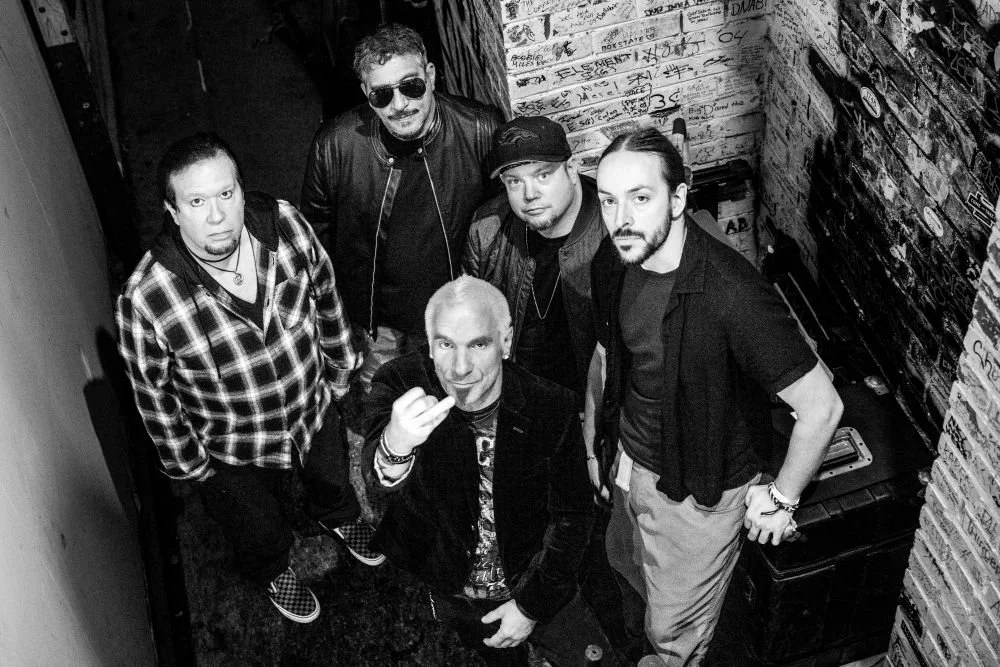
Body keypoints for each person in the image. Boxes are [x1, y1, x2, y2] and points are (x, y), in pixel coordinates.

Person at [590, 128, 844, 665]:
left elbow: (822, 408)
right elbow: (611, 356)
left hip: (698, 494)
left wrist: (781, 500)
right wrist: (602, 442)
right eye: (608, 200)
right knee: (626, 567)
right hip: (631, 461)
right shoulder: (617, 259)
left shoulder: (731, 292)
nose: (621, 218)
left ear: (678, 199)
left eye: (641, 198)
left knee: (672, 636)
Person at [116, 133, 383, 625]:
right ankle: (272, 569)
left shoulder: (283, 226)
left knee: (332, 477)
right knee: (256, 528)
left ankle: (340, 516)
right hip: (233, 449)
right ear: (172, 212)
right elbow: (153, 396)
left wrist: (340, 368)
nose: (217, 215)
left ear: (241, 190)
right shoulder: (146, 298)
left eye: (226, 193)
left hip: (312, 407)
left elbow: (325, 291)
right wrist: (194, 468)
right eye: (196, 202)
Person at [361, 276, 618, 666]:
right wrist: (396, 444)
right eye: (445, 344)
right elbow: (376, 481)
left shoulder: (551, 407)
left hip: (533, 579)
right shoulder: (400, 383)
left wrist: (530, 606)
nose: (460, 368)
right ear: (429, 344)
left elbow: (573, 517)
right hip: (451, 585)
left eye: (478, 344)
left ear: (506, 342)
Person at [301, 23, 503, 390]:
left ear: (430, 75)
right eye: (382, 95)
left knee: (462, 402)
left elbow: (500, 229)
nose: (400, 105)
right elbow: (315, 242)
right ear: (365, 93)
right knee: (384, 404)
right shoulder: (336, 146)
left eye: (411, 86)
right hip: (379, 325)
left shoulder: (479, 129)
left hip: (456, 313)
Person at [462, 116, 608, 498]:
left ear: (572, 170)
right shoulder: (487, 230)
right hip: (523, 407)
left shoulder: (613, 232)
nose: (529, 194)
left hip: (596, 410)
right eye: (515, 181)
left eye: (543, 175)